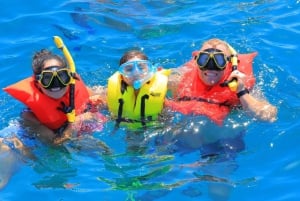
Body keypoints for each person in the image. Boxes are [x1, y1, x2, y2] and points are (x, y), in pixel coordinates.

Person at [3, 49, 106, 145]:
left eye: (61, 76)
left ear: (69, 77)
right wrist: (76, 123)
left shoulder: (79, 90)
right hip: (31, 140)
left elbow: (107, 103)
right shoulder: (30, 117)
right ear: (38, 83)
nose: (56, 84)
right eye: (48, 78)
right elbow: (55, 144)